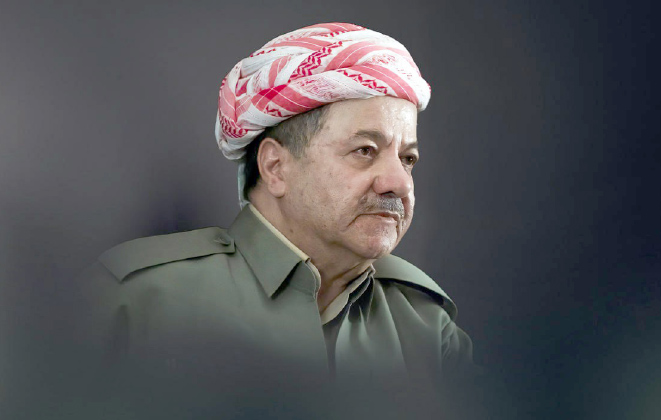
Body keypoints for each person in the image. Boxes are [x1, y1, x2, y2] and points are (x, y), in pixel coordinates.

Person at [67, 22, 482, 419]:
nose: (399, 183)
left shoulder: (424, 323)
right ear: (275, 167)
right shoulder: (139, 300)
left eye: (407, 158)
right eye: (365, 151)